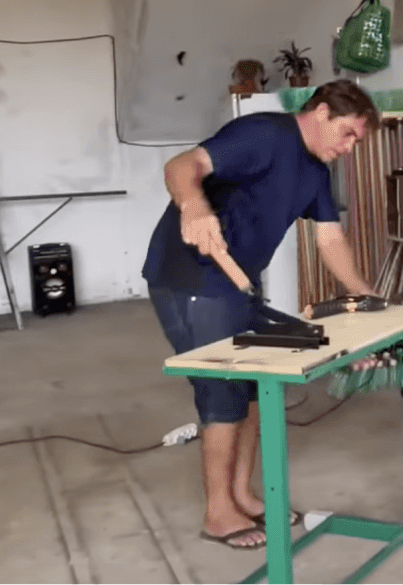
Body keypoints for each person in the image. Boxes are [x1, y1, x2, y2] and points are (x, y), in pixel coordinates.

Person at [142, 79, 381, 550]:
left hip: (236, 284)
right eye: (349, 134)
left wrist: (366, 296)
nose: (351, 148)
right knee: (222, 394)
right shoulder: (266, 134)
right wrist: (193, 204)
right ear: (322, 113)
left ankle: (242, 495)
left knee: (254, 388)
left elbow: (329, 239)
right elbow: (181, 165)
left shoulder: (315, 172)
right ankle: (217, 513)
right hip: (190, 278)